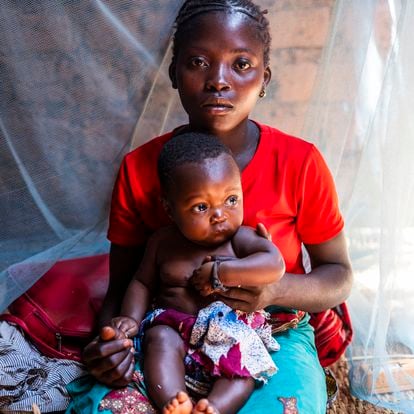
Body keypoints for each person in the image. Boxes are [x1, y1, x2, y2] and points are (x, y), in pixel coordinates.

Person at [74, 1, 353, 413]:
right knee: (105, 406)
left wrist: (273, 290)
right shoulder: (140, 168)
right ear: (174, 74)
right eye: (198, 62)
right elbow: (124, 286)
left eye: (241, 64)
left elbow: (339, 275)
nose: (218, 81)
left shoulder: (299, 163)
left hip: (271, 328)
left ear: (264, 79)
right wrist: (111, 341)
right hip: (166, 328)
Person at [109, 132, 285, 414]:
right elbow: (141, 282)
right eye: (201, 207)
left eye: (231, 199)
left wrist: (221, 272)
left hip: (229, 334)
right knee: (159, 339)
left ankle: (214, 407)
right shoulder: (162, 243)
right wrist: (130, 317)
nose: (220, 215)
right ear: (169, 208)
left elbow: (274, 265)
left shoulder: (240, 239)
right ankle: (175, 400)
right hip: (175, 332)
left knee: (245, 367)